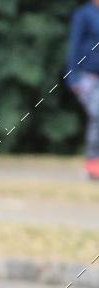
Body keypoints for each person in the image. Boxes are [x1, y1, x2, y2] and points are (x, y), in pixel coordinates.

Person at [66, 0, 99, 178]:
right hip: (88, 76)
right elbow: (74, 45)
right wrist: (72, 77)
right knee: (97, 114)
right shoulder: (84, 14)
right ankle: (93, 163)